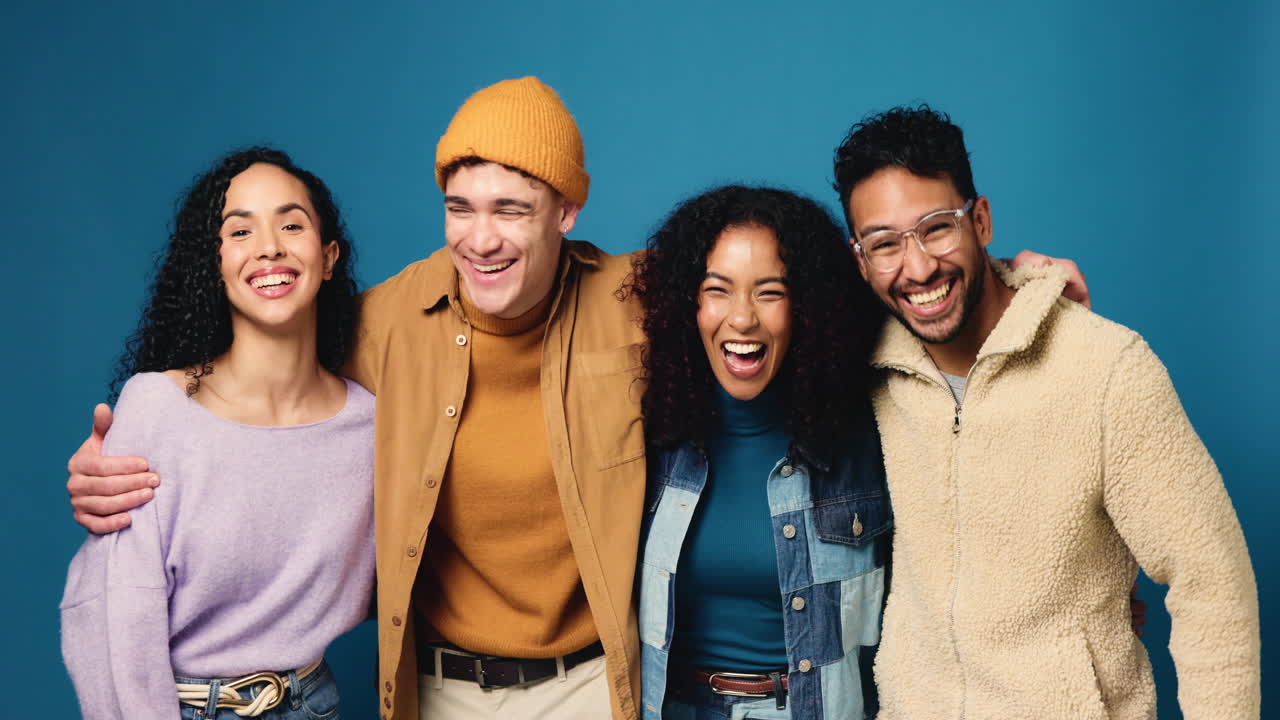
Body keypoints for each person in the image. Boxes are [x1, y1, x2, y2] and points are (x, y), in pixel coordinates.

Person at [62, 78, 1094, 720]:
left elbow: (782, 302)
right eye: (459, 207)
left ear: (568, 208)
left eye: (512, 206)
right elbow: (269, 406)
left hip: (592, 690)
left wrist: (1001, 289)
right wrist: (124, 456)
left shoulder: (633, 301)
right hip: (436, 690)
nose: (481, 237)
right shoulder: (383, 323)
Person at [833, 106, 1260, 719]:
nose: (918, 266)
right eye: (885, 245)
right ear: (860, 260)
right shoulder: (864, 369)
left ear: (980, 220)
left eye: (936, 228)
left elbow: (1212, 583)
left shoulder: (1107, 368)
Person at [60, 147, 374, 720]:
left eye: (291, 224)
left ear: (327, 257)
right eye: (240, 231)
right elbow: (113, 618)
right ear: (216, 262)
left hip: (314, 703)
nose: (269, 246)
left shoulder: (371, 427)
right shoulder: (158, 407)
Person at [625, 186, 889, 720]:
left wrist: (1020, 282)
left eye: (770, 292)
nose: (742, 319)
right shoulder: (648, 439)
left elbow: (936, 303)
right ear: (687, 302)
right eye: (717, 290)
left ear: (807, 306)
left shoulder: (870, 429)